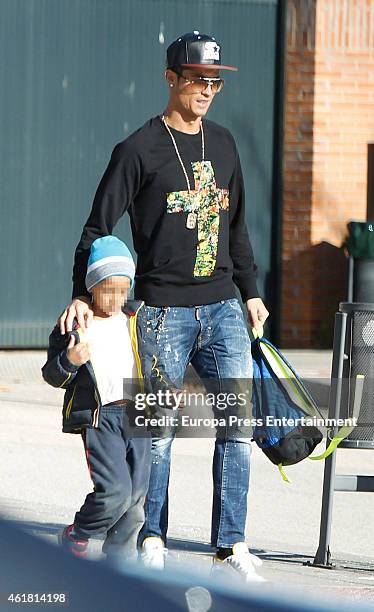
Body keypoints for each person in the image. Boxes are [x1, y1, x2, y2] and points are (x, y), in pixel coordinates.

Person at [58, 32, 269, 581]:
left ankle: (232, 545)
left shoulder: (224, 144)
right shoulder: (137, 149)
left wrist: (251, 291)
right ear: (171, 78)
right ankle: (152, 536)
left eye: (215, 81)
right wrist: (82, 294)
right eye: (197, 78)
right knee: (158, 433)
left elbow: (237, 227)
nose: (207, 89)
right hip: (160, 313)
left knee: (237, 430)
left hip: (223, 306)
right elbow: (96, 229)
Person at [42, 236, 176, 565]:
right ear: (92, 287)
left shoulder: (135, 319)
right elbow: (52, 375)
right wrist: (70, 360)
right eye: (108, 289)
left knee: (136, 500)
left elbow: (152, 363)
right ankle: (77, 534)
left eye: (123, 288)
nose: (116, 297)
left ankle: (119, 565)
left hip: (138, 414)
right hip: (101, 419)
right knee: (115, 492)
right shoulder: (75, 325)